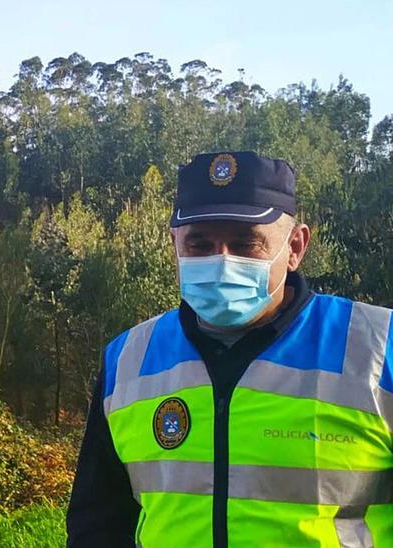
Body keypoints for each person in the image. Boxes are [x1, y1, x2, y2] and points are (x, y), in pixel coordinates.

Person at [67, 151, 393, 547]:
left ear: (295, 246)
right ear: (174, 244)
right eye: (199, 243)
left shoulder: (379, 346)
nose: (221, 261)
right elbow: (98, 523)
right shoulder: (127, 360)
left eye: (245, 243)